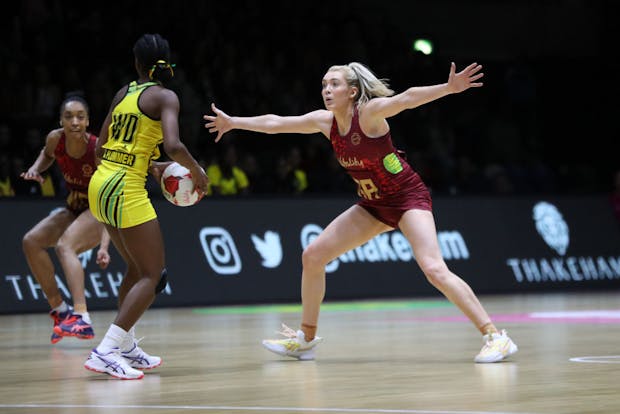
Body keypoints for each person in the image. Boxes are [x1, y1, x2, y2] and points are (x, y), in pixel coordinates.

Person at [204, 61, 518, 363]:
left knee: (434, 269)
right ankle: (306, 339)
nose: (327, 90)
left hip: (408, 198)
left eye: (334, 84)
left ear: (352, 91)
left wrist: (449, 89)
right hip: (373, 205)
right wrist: (233, 122)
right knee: (313, 256)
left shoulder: (368, 114)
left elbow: (406, 99)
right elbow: (277, 123)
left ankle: (495, 337)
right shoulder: (326, 123)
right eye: (324, 85)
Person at [85, 33, 209, 380]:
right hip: (125, 187)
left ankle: (124, 346)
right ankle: (105, 351)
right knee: (155, 276)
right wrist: (198, 173)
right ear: (166, 63)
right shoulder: (166, 97)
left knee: (137, 271)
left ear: (136, 63)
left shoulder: (123, 93)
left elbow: (100, 149)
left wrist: (147, 166)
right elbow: (173, 145)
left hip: (101, 184)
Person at [21, 94, 111, 344]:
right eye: (69, 117)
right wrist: (36, 169)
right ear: (61, 120)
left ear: (87, 122)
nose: (74, 122)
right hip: (74, 206)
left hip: (100, 209)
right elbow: (47, 154)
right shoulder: (55, 139)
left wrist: (104, 246)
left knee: (64, 246)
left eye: (80, 117)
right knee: (31, 241)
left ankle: (82, 317)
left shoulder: (96, 150)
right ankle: (60, 311)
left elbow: (109, 198)